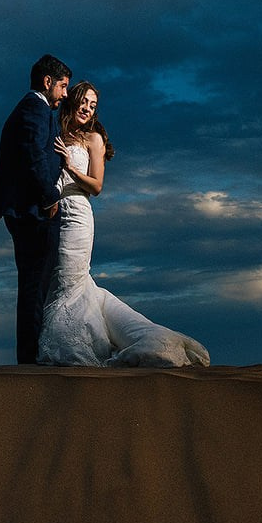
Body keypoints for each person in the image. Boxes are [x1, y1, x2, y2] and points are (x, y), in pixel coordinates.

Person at [37, 82, 210, 368]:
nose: (88, 109)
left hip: (78, 216)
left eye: (93, 106)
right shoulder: (57, 133)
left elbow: (97, 186)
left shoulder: (93, 139)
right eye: (85, 102)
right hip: (55, 217)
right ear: (73, 100)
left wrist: (70, 168)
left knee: (71, 280)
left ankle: (76, 348)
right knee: (61, 282)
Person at [0, 54, 70, 364]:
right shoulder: (34, 109)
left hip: (29, 211)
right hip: (33, 213)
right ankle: (30, 362)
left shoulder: (33, 109)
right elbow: (34, 158)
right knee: (35, 286)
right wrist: (50, 200)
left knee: (35, 284)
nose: (64, 94)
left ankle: (30, 358)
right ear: (47, 82)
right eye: (62, 86)